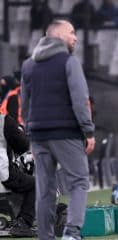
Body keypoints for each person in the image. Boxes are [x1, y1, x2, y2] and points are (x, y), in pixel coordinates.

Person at [21, 20, 96, 240]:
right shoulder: (69, 61)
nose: (75, 37)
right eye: (72, 32)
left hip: (39, 136)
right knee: (79, 181)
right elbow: (80, 100)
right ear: (59, 35)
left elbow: (25, 105)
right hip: (66, 133)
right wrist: (88, 131)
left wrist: (30, 137)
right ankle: (71, 233)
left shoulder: (28, 65)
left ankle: (46, 237)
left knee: (44, 190)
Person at [0, 114, 35, 237]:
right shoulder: (4, 121)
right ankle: (23, 223)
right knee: (34, 184)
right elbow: (23, 145)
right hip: (3, 173)